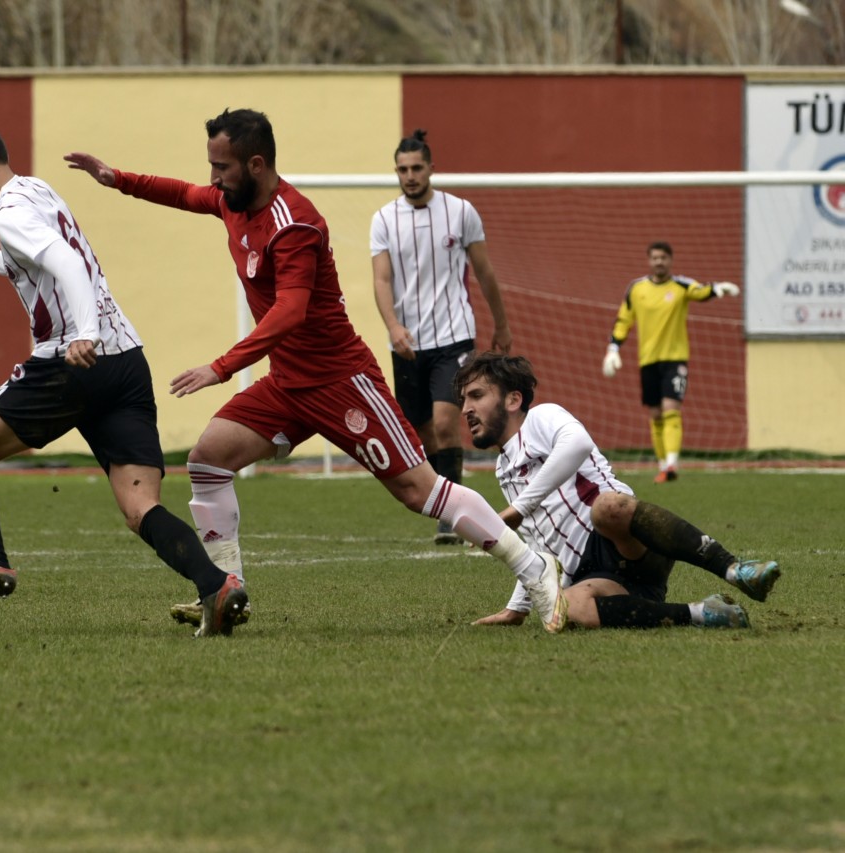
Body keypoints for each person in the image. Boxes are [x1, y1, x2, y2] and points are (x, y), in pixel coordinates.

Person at [64, 108, 567, 634]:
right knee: (208, 461)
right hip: (287, 384)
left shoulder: (295, 222)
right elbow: (184, 194)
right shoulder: (231, 201)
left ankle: (535, 569)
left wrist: (221, 367)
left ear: (256, 165)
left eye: (222, 166)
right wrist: (117, 179)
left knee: (418, 491)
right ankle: (224, 589)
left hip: (340, 381)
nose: (213, 178)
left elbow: (290, 311)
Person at [0, 118, 247, 638]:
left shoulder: (9, 213)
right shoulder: (37, 190)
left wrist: (85, 334)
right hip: (126, 361)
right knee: (140, 507)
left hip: (72, 362)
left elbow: (68, 266)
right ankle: (216, 585)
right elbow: (34, 263)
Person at [455, 351, 781, 629]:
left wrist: (518, 509)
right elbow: (536, 543)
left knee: (607, 507)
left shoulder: (541, 418)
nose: (466, 409)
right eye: (463, 400)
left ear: (513, 399)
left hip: (626, 538)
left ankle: (735, 569)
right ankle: (703, 613)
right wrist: (517, 608)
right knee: (567, 607)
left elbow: (578, 443)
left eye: (477, 395)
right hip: (595, 576)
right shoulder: (503, 469)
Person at [371, 129, 512, 545]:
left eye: (417, 168)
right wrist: (393, 326)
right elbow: (381, 279)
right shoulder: (383, 219)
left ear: (431, 168)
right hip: (407, 343)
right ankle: (448, 501)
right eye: (403, 169)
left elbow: (484, 271)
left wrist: (501, 323)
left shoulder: (461, 211)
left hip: (454, 336)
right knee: (422, 432)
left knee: (448, 421)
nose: (410, 176)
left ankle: (451, 517)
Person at [601, 241, 739, 484]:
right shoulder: (636, 289)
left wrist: (719, 289)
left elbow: (700, 291)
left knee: (671, 409)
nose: (659, 262)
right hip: (648, 360)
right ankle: (663, 465)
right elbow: (624, 320)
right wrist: (613, 349)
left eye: (663, 258)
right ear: (649, 261)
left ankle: (673, 463)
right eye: (655, 258)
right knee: (655, 414)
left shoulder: (680, 285)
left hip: (675, 359)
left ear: (670, 260)